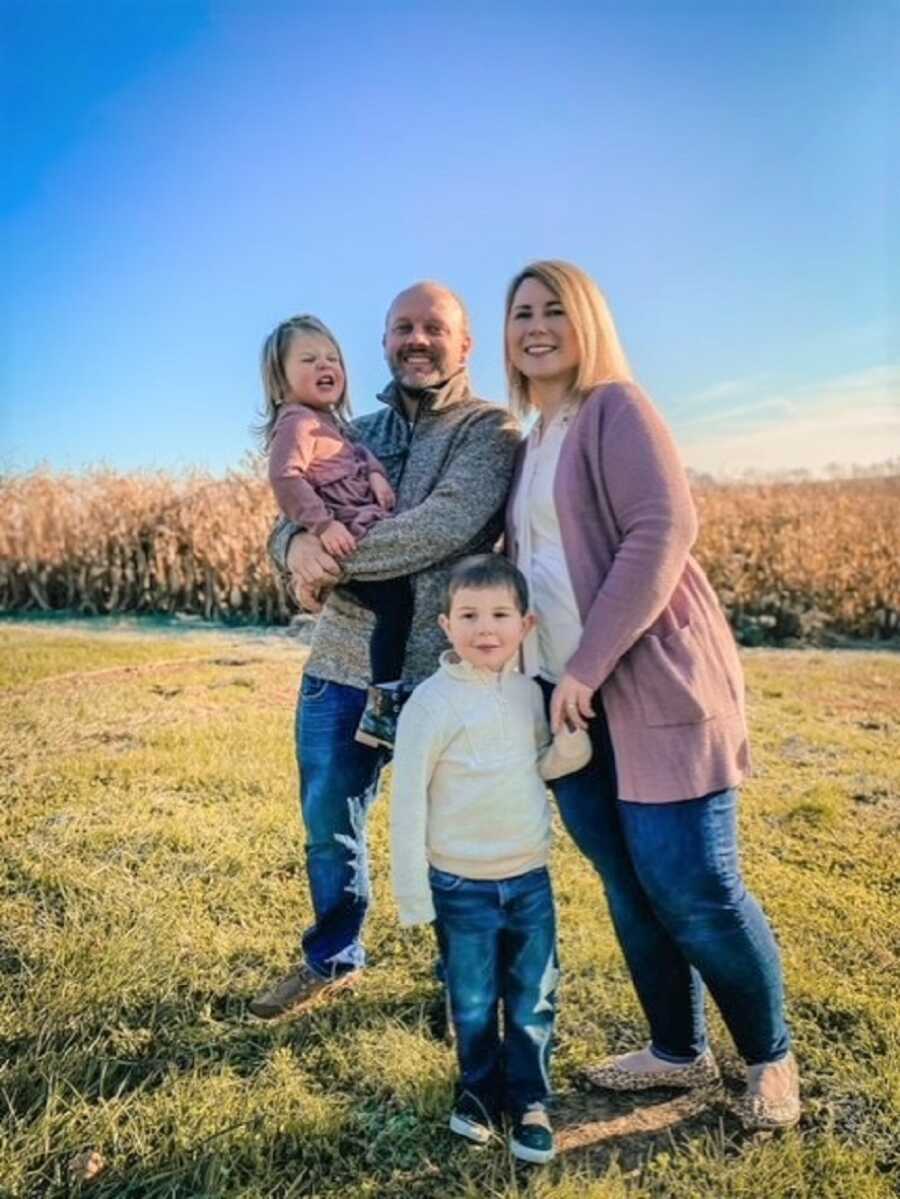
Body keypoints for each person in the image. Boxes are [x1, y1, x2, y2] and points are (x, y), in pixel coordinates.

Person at [502, 259, 801, 1133]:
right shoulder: (530, 442)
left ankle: (770, 1056)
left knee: (694, 884)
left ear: (587, 321)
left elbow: (662, 530)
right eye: (521, 311)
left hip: (651, 681)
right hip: (566, 699)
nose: (536, 325)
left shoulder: (614, 410)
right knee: (629, 886)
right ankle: (676, 1049)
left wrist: (589, 663)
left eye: (555, 308)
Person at [249, 282, 520, 1020]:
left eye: (435, 328)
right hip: (339, 664)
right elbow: (281, 512)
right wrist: (296, 541)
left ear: (464, 345)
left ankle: (463, 983)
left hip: (442, 671)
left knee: (455, 838)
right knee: (328, 825)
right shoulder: (349, 428)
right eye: (403, 327)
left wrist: (329, 558)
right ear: (385, 341)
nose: (418, 339)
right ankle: (333, 957)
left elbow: (443, 527)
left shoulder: (489, 431)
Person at [391, 554, 591, 1164]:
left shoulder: (530, 694)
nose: (486, 628)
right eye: (470, 615)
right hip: (461, 883)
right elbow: (407, 802)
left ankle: (529, 1099)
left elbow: (539, 765)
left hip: (529, 877)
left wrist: (570, 749)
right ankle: (478, 1092)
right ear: (445, 626)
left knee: (533, 995)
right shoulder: (430, 703)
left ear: (525, 625)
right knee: (473, 998)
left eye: (500, 614)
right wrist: (414, 894)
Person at [259, 313, 413, 748]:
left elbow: (358, 455)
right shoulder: (297, 423)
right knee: (395, 605)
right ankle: (384, 707)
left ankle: (385, 698)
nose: (325, 366)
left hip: (357, 525)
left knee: (396, 604)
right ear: (280, 379)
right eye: (308, 359)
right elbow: (286, 479)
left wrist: (378, 477)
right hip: (345, 533)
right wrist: (320, 526)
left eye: (332, 359)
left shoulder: (332, 426)